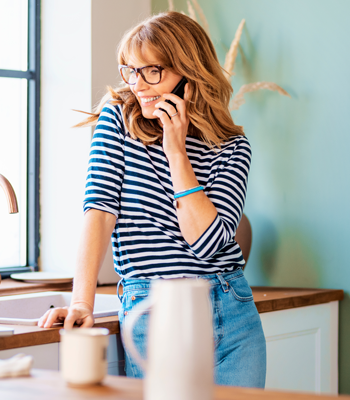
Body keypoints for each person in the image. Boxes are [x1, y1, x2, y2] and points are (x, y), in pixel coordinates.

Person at [38, 11, 266, 388]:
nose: (138, 84)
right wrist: (82, 302)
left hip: (232, 311)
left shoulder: (232, 147)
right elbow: (99, 212)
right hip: (153, 309)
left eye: (152, 71)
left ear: (188, 72)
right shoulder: (117, 120)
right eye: (131, 70)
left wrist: (176, 152)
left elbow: (208, 244)